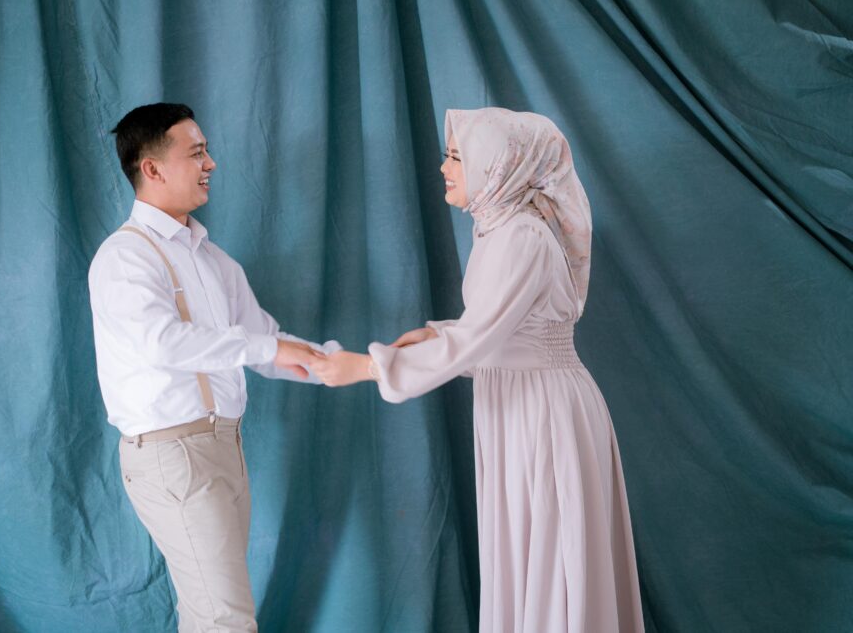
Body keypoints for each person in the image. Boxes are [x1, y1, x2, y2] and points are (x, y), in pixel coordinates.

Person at [310, 108, 644, 632]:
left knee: (550, 558)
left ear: (497, 165)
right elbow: (501, 330)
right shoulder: (499, 229)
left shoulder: (521, 236)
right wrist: (440, 335)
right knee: (531, 554)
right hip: (518, 405)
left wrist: (371, 367)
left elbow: (480, 338)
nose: (445, 168)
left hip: (542, 413)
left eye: (457, 157)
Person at [88, 103, 337, 632]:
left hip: (225, 446)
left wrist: (343, 364)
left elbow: (265, 338)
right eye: (197, 153)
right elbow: (163, 344)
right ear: (152, 168)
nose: (212, 164)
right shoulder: (124, 257)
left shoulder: (212, 258)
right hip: (172, 453)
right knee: (225, 619)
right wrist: (268, 350)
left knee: (211, 614)